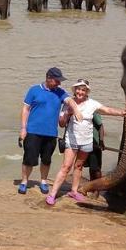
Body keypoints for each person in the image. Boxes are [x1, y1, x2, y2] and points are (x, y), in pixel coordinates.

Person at [45, 79, 125, 205]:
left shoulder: (92, 104)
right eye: (78, 89)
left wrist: (121, 113)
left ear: (87, 92)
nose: (80, 92)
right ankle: (52, 194)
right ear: (74, 90)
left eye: (83, 90)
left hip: (86, 141)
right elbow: (61, 124)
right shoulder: (68, 103)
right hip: (72, 140)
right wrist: (68, 113)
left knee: (79, 166)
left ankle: (74, 191)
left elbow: (107, 110)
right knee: (66, 167)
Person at [18, 67, 82, 195]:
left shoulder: (60, 92)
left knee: (46, 159)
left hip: (51, 133)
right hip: (33, 131)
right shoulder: (34, 90)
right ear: (48, 78)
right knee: (29, 159)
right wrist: (23, 128)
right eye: (57, 80)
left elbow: (70, 101)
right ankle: (24, 181)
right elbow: (26, 109)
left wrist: (76, 110)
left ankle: (43, 181)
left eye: (60, 81)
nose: (59, 83)